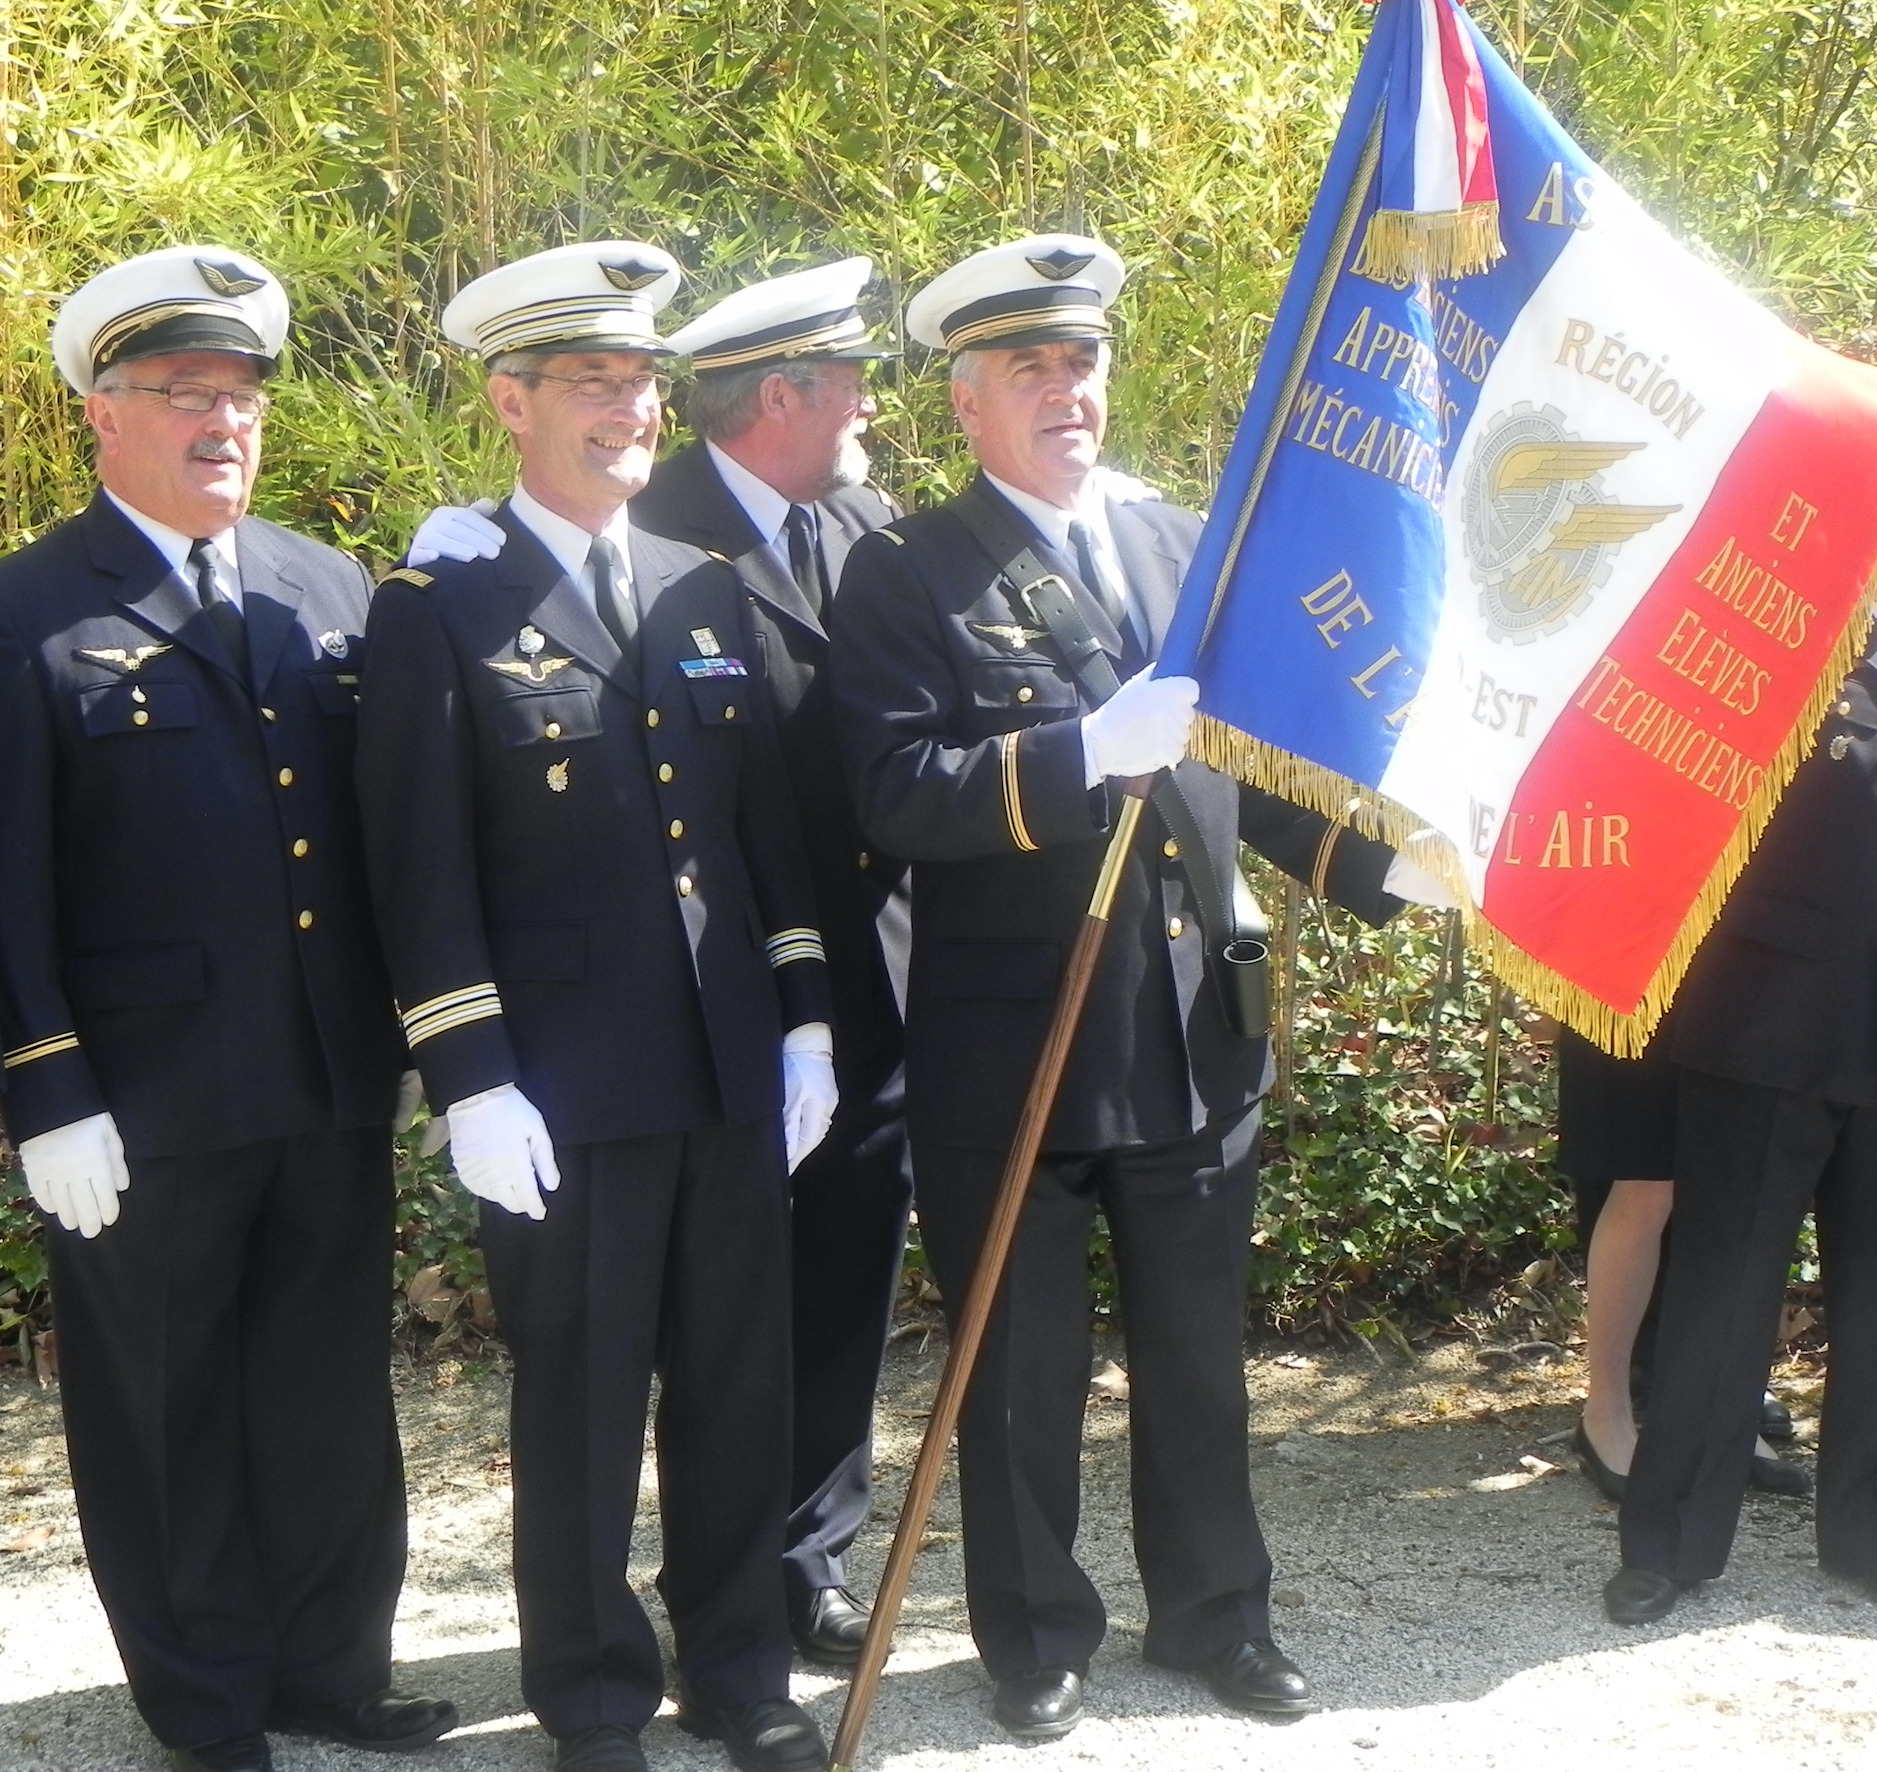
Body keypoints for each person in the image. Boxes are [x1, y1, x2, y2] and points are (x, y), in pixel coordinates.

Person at [828, 234, 1427, 1740]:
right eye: (1027, 366)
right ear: (962, 398)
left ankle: (1218, 1616)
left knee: (1198, 1358)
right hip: (1009, 1045)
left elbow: (1261, 769)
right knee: (1019, 1375)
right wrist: (1074, 757)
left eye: (1079, 360)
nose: (1063, 389)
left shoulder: (1185, 548)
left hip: (1187, 1030)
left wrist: (1387, 869)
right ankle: (1032, 1635)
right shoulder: (907, 573)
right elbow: (895, 793)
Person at [353, 242, 837, 1772]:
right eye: (592, 383)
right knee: (578, 1400)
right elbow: (416, 868)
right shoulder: (435, 608)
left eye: (640, 382)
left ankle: (737, 1667)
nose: (627, 410)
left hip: (723, 1062)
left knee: (736, 1382)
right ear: (512, 400)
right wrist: (468, 1074)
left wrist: (808, 1016)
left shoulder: (704, 589)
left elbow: (766, 839)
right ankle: (592, 1691)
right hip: (560, 1089)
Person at [0, 246, 455, 1772]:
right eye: (182, 394)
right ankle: (204, 1697)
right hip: (143, 1100)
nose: (222, 423)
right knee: (167, 1404)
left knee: (327, 1388)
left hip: (326, 1072)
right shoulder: (28, 610)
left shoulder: (328, 590)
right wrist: (42, 1083)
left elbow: (398, 836)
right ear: (100, 417)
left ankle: (333, 1664)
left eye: (243, 396)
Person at [1602, 373, 1877, 1627]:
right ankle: (1672, 1539)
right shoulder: (1768, 636)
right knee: (1722, 1299)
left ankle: (1871, 1532)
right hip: (1766, 1026)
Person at [1555, 1041, 1805, 1500]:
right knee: (1644, 1172)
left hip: (1745, 987)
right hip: (1631, 984)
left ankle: (1718, 1406)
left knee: (1733, 1175)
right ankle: (1606, 1414)